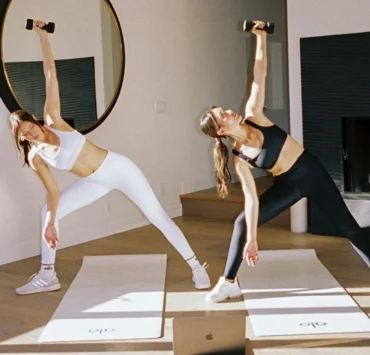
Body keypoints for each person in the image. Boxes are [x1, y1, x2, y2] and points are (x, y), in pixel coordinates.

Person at [9, 20, 210, 295]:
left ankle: (197, 267)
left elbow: (50, 76)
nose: (31, 134)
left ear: (34, 120)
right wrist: (50, 224)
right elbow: (53, 191)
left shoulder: (53, 119)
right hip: (93, 182)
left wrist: (43, 37)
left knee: (158, 217)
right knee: (47, 213)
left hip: (118, 168)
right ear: (21, 138)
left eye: (30, 127)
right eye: (25, 135)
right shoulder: (35, 157)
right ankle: (47, 276)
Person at [199, 21, 370, 303]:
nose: (229, 111)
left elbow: (259, 74)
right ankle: (228, 281)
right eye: (223, 115)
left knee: (349, 228)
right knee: (242, 222)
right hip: (288, 184)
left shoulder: (255, 114)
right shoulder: (241, 158)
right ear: (221, 130)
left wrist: (261, 37)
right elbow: (252, 201)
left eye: (225, 109)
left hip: (311, 172)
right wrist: (253, 238)